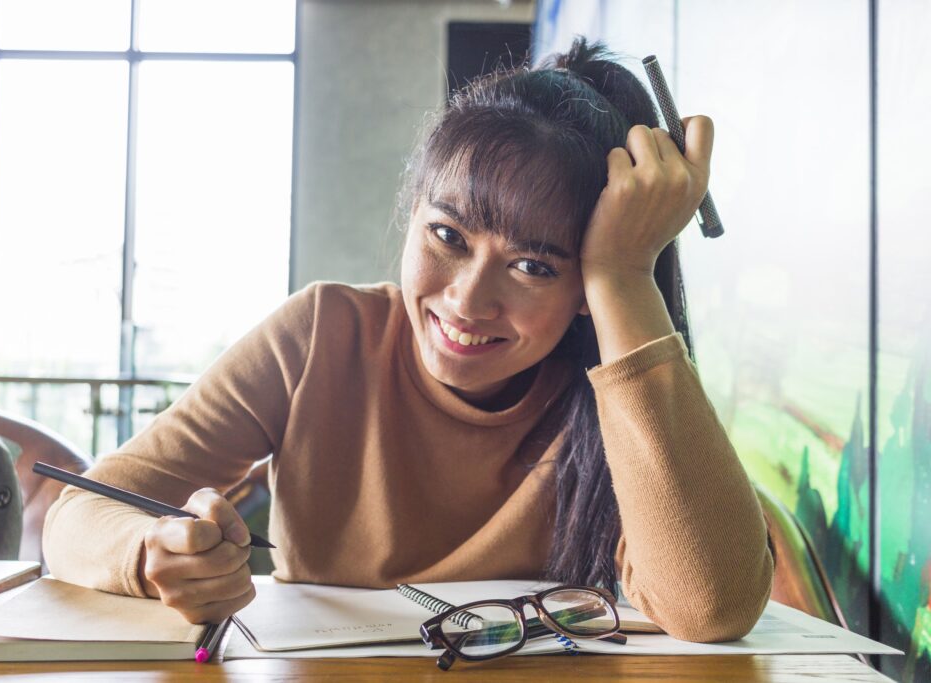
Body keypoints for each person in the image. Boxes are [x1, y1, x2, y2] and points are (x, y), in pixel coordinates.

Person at [44, 37, 773, 643]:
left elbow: (713, 606)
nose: (467, 300)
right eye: (447, 235)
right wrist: (152, 553)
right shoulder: (321, 335)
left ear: (583, 292)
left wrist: (622, 275)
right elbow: (75, 514)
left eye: (532, 265)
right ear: (412, 210)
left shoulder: (613, 396)